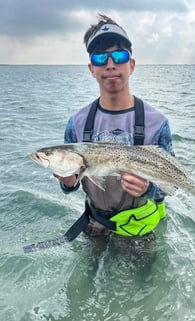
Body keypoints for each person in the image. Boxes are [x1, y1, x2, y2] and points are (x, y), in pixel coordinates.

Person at [54, 14, 174, 264]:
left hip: (139, 227)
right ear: (92, 69)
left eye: (118, 56)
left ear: (131, 64)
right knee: (85, 287)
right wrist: (67, 182)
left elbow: (169, 187)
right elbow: (71, 186)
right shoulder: (76, 123)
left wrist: (148, 188)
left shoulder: (157, 123)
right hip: (95, 223)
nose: (110, 64)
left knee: (146, 293)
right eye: (100, 57)